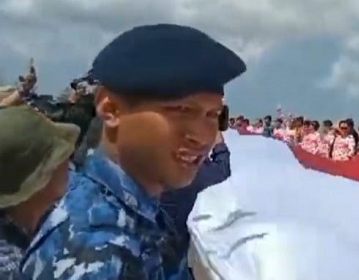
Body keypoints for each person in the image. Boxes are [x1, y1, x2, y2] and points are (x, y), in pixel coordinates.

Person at [21, 23, 246, 279]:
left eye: (213, 115)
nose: (202, 136)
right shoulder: (98, 253)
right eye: (182, 111)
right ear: (112, 110)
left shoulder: (134, 209)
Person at [0, 107, 78, 276]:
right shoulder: (8, 261)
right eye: (59, 155)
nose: (68, 159)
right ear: (40, 179)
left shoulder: (43, 219)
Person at [160, 117, 232, 254]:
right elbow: (223, 166)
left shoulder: (155, 169)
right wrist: (214, 125)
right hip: (188, 255)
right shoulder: (209, 175)